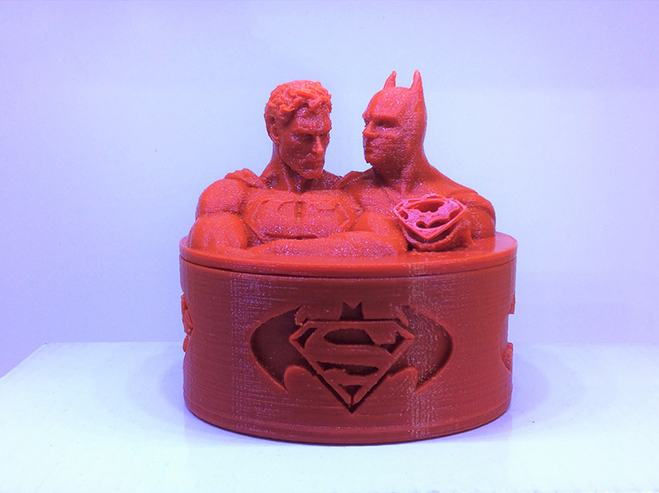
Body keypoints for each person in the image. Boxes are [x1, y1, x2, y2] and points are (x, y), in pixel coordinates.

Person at [187, 80, 365, 254]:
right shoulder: (230, 196)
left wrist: (275, 250)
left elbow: (380, 247)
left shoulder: (355, 193)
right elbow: (218, 261)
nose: (319, 149)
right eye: (305, 137)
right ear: (274, 131)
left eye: (324, 135)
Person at [339, 71, 496, 251]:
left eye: (384, 124)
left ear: (412, 133)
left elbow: (482, 222)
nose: (367, 132)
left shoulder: (461, 201)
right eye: (367, 122)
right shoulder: (350, 190)